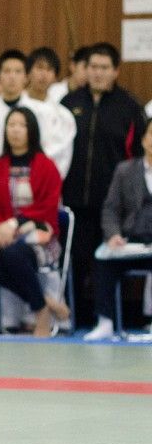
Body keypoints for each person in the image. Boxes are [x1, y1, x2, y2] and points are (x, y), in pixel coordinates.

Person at [61, 42, 147, 317]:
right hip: (74, 200)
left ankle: (110, 318)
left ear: (116, 71)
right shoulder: (68, 104)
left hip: (114, 204)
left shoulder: (129, 107)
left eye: (104, 67)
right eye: (93, 67)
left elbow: (139, 157)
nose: (98, 73)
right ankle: (72, 317)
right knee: (74, 261)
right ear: (85, 69)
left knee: (109, 263)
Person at [0, 107, 69, 337]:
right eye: (11, 125)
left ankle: (41, 314)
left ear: (32, 131)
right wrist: (0, 227)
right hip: (3, 237)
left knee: (13, 254)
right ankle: (45, 302)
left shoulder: (46, 166)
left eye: (22, 125)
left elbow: (48, 208)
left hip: (40, 236)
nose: (15, 130)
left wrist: (13, 224)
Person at [84, 119, 152, 341]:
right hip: (132, 241)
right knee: (104, 258)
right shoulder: (125, 170)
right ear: (144, 140)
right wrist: (113, 235)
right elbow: (110, 208)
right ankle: (105, 321)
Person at [0, 49, 75, 180]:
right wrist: (4, 172)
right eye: (7, 71)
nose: (12, 77)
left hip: (34, 182)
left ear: (26, 77)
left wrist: (25, 173)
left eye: (18, 71)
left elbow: (51, 153)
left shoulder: (45, 113)